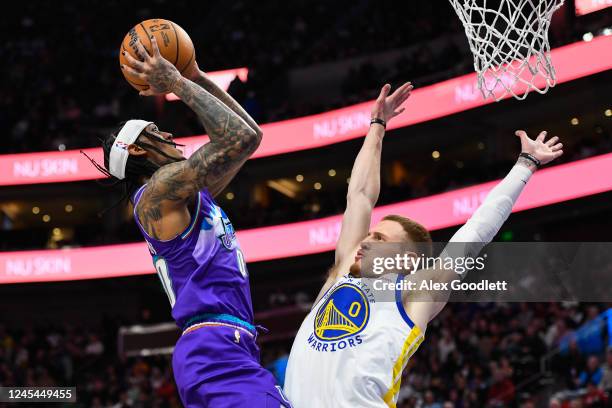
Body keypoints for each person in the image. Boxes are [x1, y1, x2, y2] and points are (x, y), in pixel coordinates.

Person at [284, 82, 564, 407]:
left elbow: (473, 234)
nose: (366, 241)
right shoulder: (344, 271)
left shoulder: (415, 294)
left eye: (379, 239)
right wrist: (377, 124)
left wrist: (525, 164)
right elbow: (359, 196)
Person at [94, 35, 290, 407]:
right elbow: (240, 139)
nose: (167, 133)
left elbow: (253, 135)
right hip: (214, 347)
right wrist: (178, 85)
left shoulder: (183, 196)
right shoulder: (159, 190)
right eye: (155, 132)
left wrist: (195, 74)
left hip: (225, 346)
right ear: (136, 148)